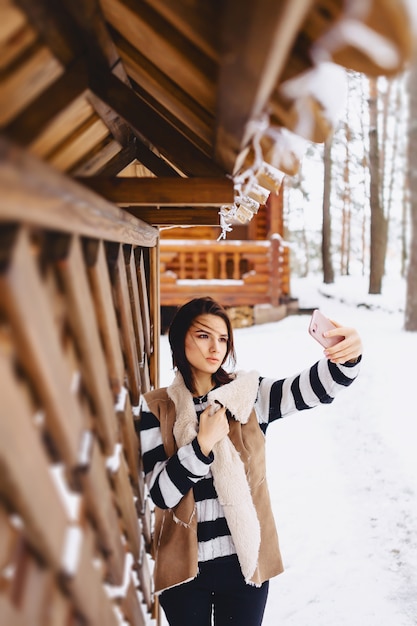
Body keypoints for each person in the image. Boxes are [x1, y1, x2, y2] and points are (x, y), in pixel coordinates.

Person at [139, 297, 362, 626]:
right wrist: (202, 444)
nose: (216, 347)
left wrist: (348, 358)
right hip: (183, 573)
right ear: (179, 338)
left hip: (244, 567)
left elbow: (313, 389)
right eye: (203, 336)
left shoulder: (248, 395)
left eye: (223, 338)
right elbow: (161, 494)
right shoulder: (155, 408)